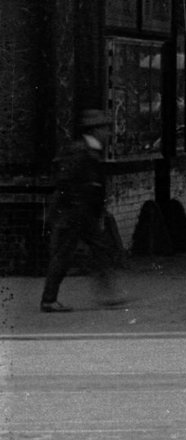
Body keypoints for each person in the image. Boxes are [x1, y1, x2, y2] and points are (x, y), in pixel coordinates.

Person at [41, 111, 128, 313]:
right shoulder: (82, 151)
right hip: (74, 211)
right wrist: (67, 208)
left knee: (100, 248)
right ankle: (48, 300)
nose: (108, 133)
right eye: (105, 128)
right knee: (64, 255)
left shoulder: (92, 150)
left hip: (83, 212)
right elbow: (66, 181)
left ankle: (107, 292)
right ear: (96, 130)